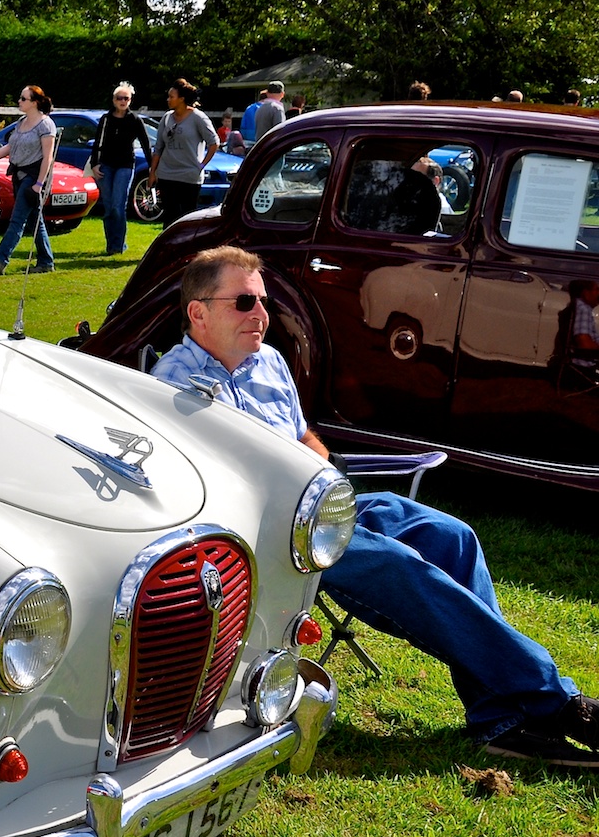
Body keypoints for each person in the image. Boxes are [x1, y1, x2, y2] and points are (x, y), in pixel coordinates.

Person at [152, 246, 599, 767]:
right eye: (245, 302)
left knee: (454, 537)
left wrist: (329, 478)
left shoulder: (268, 362)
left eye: (264, 302)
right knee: (401, 567)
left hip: (326, 504)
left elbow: (301, 435)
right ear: (198, 312)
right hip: (275, 539)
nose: (261, 314)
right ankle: (557, 702)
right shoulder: (173, 388)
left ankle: (499, 717)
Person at [0, 85, 58, 274]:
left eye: (23, 99)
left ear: (34, 102)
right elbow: (10, 146)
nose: (19, 101)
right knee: (36, 221)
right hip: (18, 174)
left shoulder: (46, 124)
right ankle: (46, 262)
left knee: (17, 220)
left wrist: (39, 184)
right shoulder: (22, 122)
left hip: (33, 178)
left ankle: (1, 258)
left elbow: (48, 157)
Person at [91, 82, 153, 255]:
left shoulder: (135, 120)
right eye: (119, 98)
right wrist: (95, 164)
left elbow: (146, 144)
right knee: (109, 207)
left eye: (126, 98)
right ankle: (111, 244)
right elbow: (97, 143)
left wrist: (152, 168)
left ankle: (118, 246)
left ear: (130, 100)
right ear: (113, 100)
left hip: (125, 166)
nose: (122, 101)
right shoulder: (106, 119)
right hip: (105, 166)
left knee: (118, 206)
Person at [146, 79, 219, 226]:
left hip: (189, 177)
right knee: (169, 218)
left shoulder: (198, 118)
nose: (168, 100)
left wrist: (201, 165)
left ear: (182, 99)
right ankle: (168, 248)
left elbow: (214, 143)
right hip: (167, 174)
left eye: (171, 97)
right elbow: (158, 147)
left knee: (187, 218)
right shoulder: (167, 118)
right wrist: (153, 172)